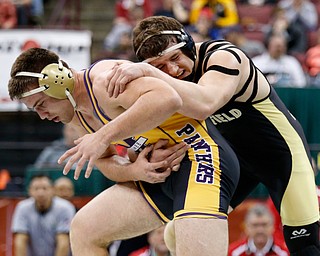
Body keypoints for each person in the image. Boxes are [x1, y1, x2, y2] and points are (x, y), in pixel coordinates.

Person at [104, 15, 320, 255]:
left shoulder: (224, 57)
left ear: (188, 46)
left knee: (306, 246)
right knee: (176, 234)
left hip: (283, 156)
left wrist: (148, 71)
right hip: (236, 162)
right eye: (161, 67)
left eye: (175, 58)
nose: (173, 71)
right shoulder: (167, 81)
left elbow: (205, 103)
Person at [8, 47, 240, 256]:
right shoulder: (76, 115)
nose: (42, 116)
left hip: (201, 157)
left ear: (58, 81)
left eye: (41, 105)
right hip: (162, 175)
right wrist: (134, 170)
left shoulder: (105, 80)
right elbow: (107, 161)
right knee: (84, 229)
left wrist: (102, 136)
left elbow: (168, 98)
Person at [11, 174, 76, 256]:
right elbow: (20, 241)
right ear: (29, 191)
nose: (40, 193)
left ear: (53, 190)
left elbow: (63, 243)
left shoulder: (65, 208)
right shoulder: (22, 208)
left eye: (45, 188)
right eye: (36, 189)